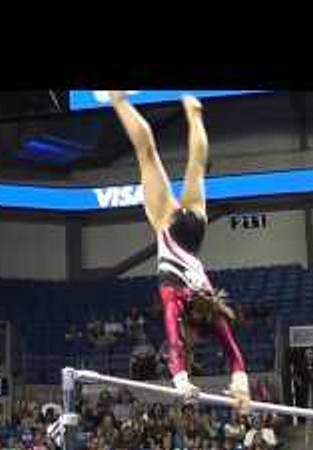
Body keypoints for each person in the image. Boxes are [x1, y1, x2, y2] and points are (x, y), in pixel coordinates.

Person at [107, 91, 250, 411]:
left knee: (196, 166)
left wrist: (242, 386)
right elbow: (174, 342)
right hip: (169, 227)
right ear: (192, 327)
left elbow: (234, 353)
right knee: (146, 153)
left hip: (195, 232)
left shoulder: (211, 305)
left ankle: (194, 115)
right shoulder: (174, 300)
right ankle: (118, 100)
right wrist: (181, 381)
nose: (194, 342)